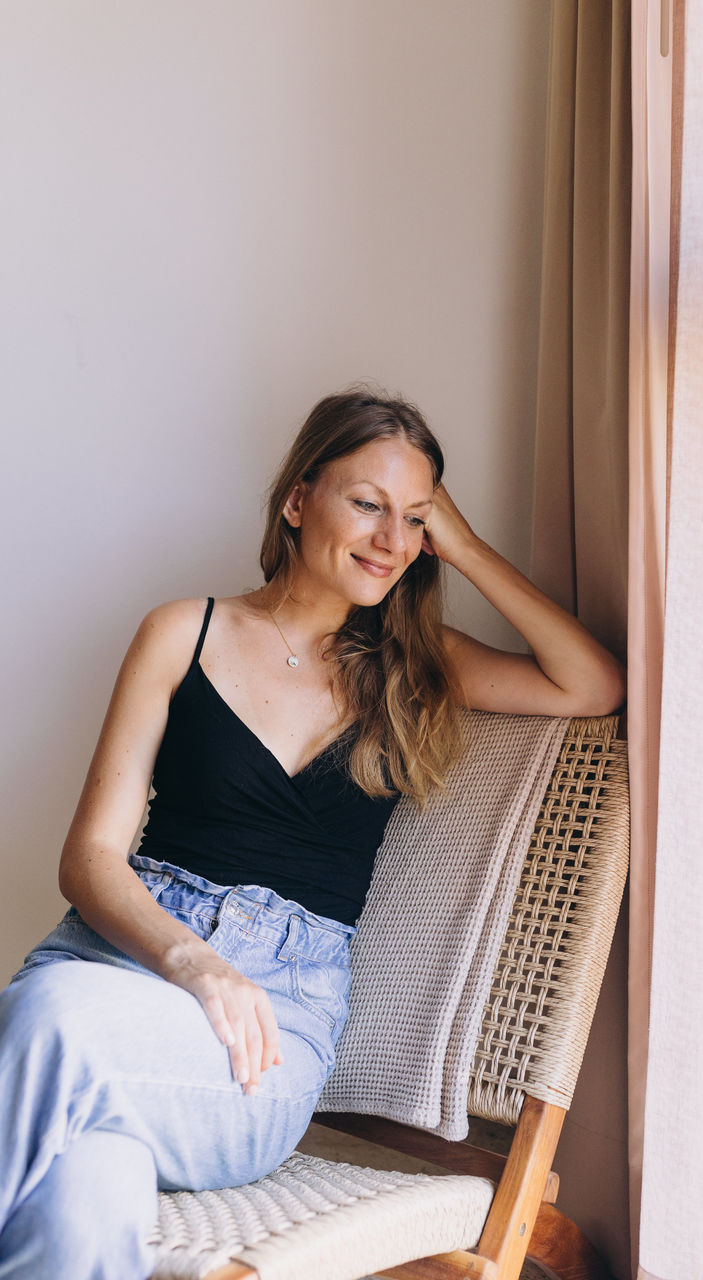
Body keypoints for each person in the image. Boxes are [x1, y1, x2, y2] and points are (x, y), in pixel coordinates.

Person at [0, 389, 625, 1280]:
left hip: (264, 1039)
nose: (390, 539)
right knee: (81, 1204)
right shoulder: (184, 632)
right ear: (297, 501)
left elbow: (590, 684)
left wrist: (465, 544)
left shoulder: (417, 666)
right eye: (367, 504)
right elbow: (90, 859)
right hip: (117, 974)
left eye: (415, 520)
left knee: (46, 1020)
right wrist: (193, 961)